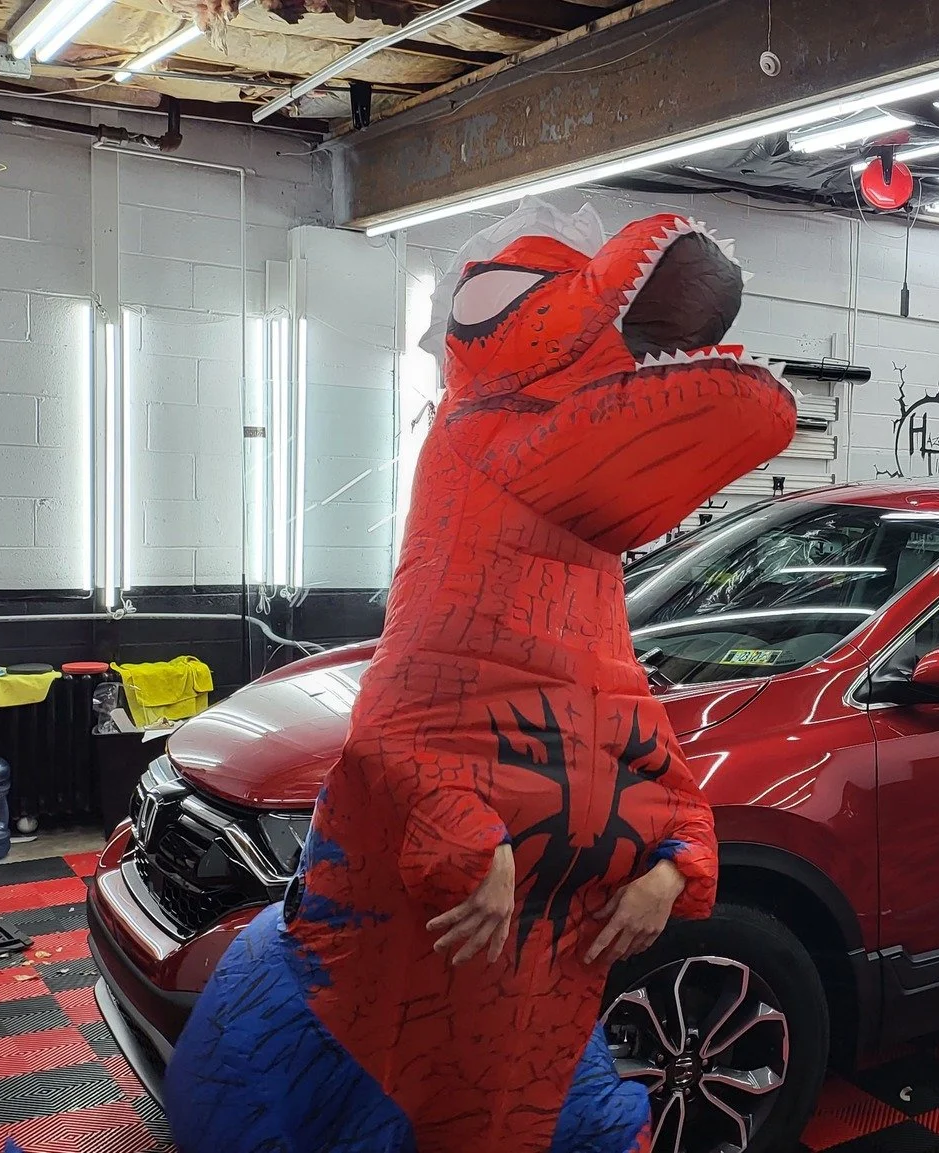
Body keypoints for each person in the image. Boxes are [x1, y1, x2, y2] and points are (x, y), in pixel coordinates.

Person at [163, 200, 798, 1153]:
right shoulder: (457, 563)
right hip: (377, 1036)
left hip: (531, 1046)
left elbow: (673, 798)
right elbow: (395, 746)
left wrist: (672, 874)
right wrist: (472, 843)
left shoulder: (609, 665)